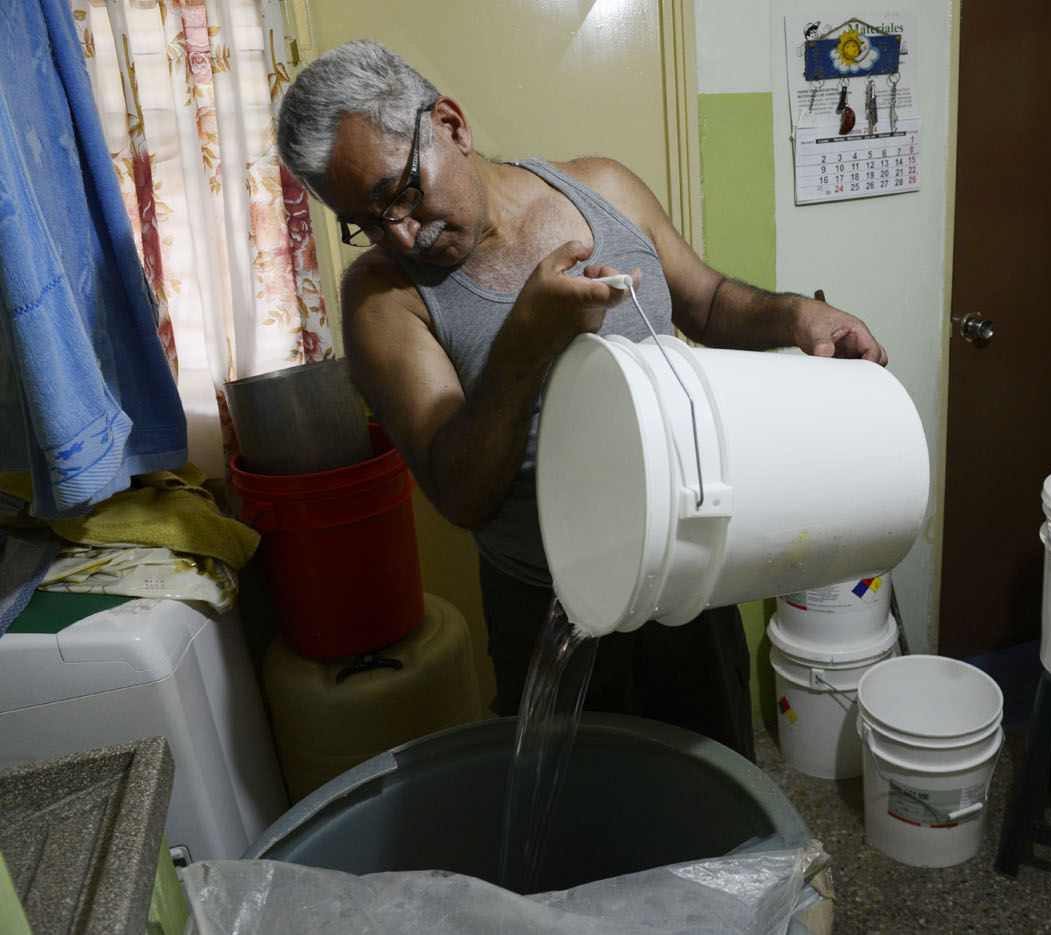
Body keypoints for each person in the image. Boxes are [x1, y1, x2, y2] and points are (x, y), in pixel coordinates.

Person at [276, 39, 886, 761]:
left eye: (400, 192)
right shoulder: (383, 301)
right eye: (368, 222)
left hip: (687, 567)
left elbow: (712, 303)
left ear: (450, 124)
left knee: (716, 787)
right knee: (590, 838)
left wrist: (797, 317)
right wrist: (527, 339)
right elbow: (461, 491)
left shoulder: (605, 189)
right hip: (548, 604)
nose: (403, 233)